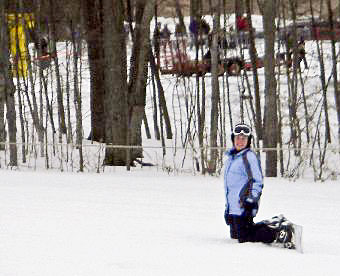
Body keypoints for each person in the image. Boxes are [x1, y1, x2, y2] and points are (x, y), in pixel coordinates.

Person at [223, 123, 296, 248]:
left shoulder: (248, 157)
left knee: (245, 237)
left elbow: (257, 181)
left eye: (243, 139)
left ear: (248, 140)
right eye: (237, 138)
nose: (240, 141)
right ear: (233, 139)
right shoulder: (232, 158)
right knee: (236, 236)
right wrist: (228, 208)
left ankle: (279, 232)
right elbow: (231, 186)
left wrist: (250, 201)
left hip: (244, 205)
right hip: (233, 207)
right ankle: (272, 223)